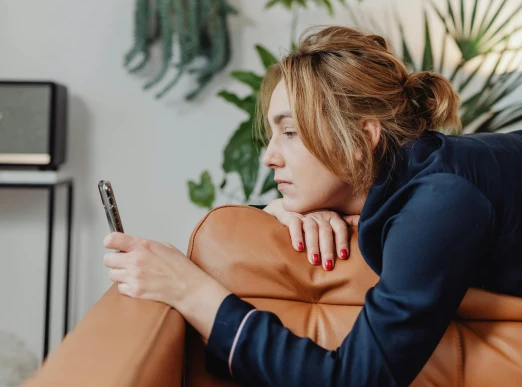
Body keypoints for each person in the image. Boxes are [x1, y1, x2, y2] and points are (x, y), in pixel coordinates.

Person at [103, 25, 522, 387]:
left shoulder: (440, 201)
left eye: (290, 132)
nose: (269, 157)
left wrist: (189, 289)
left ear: (362, 139)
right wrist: (290, 207)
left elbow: (355, 379)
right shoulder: (409, 174)